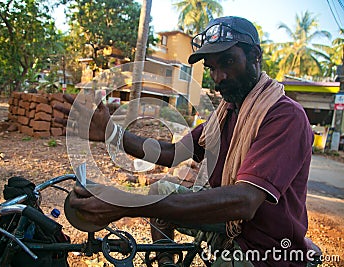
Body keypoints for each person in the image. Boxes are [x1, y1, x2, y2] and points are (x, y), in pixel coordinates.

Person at [55, 16, 316, 266]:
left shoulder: (284, 116)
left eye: (228, 61)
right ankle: (166, 261)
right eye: (212, 68)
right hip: (229, 224)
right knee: (160, 190)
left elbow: (244, 201)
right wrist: (111, 133)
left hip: (263, 247)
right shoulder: (227, 113)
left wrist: (129, 204)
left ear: (255, 56)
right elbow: (173, 153)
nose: (218, 77)